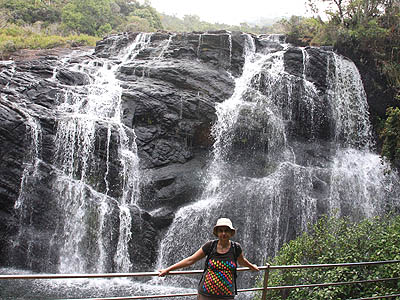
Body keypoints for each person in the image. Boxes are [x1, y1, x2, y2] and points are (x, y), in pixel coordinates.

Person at [158, 218, 259, 299]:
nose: (223, 233)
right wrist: (168, 269)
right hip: (206, 294)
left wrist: (251, 266)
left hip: (226, 295)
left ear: (231, 233)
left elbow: (242, 261)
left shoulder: (236, 248)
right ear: (217, 233)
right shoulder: (210, 246)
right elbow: (191, 260)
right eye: (221, 231)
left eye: (226, 230)